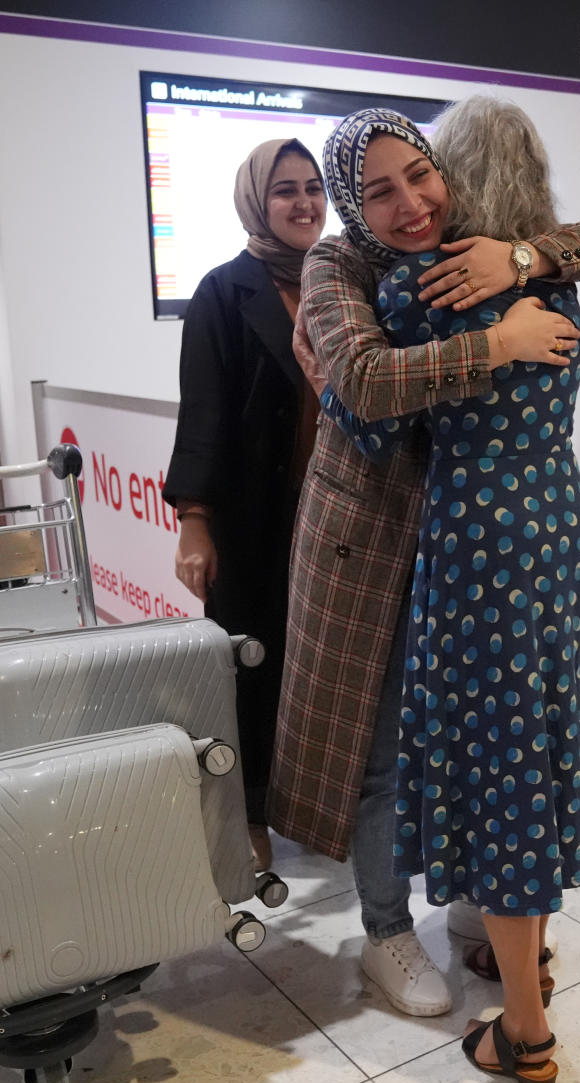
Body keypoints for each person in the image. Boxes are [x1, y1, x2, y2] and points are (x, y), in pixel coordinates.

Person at [267, 104, 580, 1032]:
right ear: (353, 203)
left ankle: (484, 911)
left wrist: (523, 260)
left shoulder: (498, 255)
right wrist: (496, 344)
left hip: (462, 532)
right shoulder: (340, 264)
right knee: (385, 746)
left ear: (451, 172)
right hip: (374, 532)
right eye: (380, 190)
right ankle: (388, 928)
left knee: (481, 735)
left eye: (421, 176)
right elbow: (365, 388)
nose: (410, 203)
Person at [164, 138, 326, 872]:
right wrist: (195, 521)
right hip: (253, 521)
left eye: (314, 187)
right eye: (285, 189)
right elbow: (203, 412)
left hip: (334, 519)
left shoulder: (339, 283)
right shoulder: (222, 292)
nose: (304, 203)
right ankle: (251, 813)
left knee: (321, 670)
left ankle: (319, 802)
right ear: (256, 201)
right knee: (252, 672)